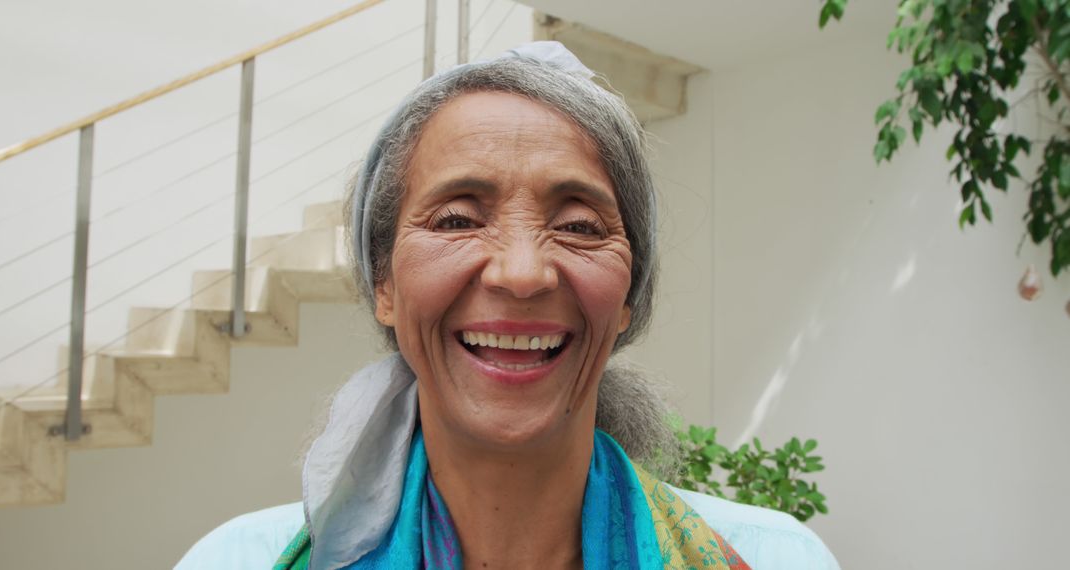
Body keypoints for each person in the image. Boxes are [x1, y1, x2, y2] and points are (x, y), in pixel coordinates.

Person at [177, 42, 840, 570]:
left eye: (579, 226)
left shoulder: (771, 559)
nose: (522, 274)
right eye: (458, 219)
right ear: (384, 284)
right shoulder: (242, 561)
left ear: (629, 297)